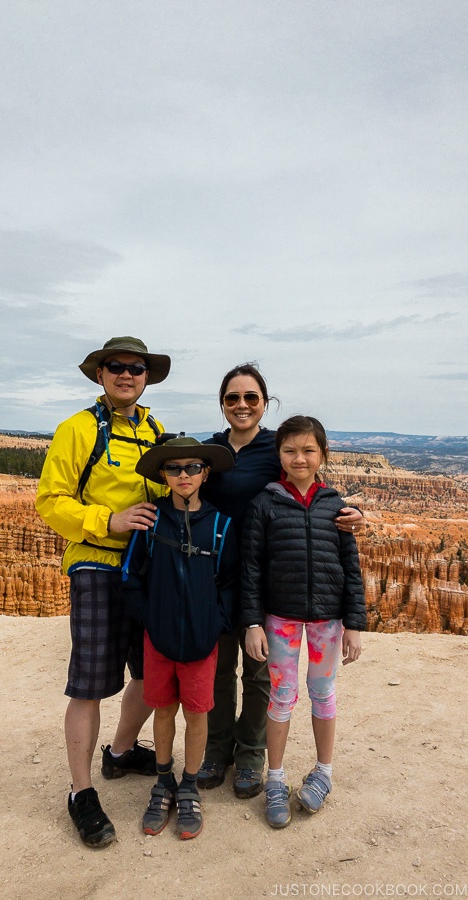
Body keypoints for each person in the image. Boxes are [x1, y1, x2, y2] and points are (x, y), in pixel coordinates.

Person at [199, 364, 364, 800]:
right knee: (217, 668)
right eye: (232, 398)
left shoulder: (275, 448)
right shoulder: (210, 451)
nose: (241, 405)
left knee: (258, 675)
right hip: (215, 574)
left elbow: (309, 476)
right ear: (222, 403)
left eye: (251, 397)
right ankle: (217, 750)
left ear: (264, 403)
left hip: (269, 579)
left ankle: (252, 753)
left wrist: (348, 514)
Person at [35, 336, 171, 849]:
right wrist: (107, 521)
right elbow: (50, 502)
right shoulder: (77, 430)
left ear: (145, 377)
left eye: (137, 368)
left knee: (149, 671)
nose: (127, 374)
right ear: (100, 374)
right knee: (89, 681)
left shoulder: (155, 431)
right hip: (96, 563)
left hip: (146, 569)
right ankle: (81, 792)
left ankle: (118, 753)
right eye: (117, 366)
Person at [241, 415, 366, 828]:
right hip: (280, 620)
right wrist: (252, 623)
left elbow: (351, 566)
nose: (300, 457)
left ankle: (323, 773)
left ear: (323, 454)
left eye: (308, 450)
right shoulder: (265, 504)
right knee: (282, 696)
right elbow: (252, 569)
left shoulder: (337, 505)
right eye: (290, 450)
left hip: (328, 621)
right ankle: (275, 779)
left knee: (323, 692)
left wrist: (354, 623)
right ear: (279, 454)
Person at [122, 437, 238, 839]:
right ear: (163, 475)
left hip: (202, 643)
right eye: (174, 468)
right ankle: (163, 779)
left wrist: (215, 622)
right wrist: (151, 619)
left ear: (206, 473)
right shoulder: (151, 521)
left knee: (197, 713)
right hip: (160, 639)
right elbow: (130, 576)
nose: (184, 474)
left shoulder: (222, 526)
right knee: (164, 710)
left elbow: (230, 582)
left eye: (192, 467)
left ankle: (189, 784)